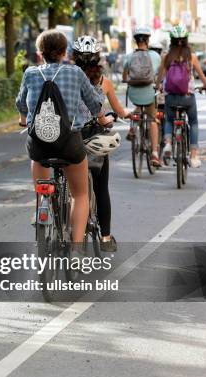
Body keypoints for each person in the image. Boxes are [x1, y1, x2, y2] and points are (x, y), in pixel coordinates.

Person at [16, 29, 101, 246]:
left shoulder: (30, 73)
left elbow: (21, 103)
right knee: (80, 195)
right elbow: (94, 104)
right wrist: (100, 116)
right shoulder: (76, 73)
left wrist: (24, 117)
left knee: (37, 160)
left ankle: (43, 204)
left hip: (39, 145)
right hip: (69, 143)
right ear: (65, 52)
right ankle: (77, 250)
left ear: (39, 52)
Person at [73, 36, 130, 252]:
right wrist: (124, 114)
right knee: (101, 188)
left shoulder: (66, 76)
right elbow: (118, 110)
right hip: (93, 138)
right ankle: (105, 238)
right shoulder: (103, 82)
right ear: (98, 58)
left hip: (69, 137)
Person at [156, 25, 206, 168]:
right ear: (186, 41)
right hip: (187, 97)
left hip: (171, 97)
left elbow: (160, 77)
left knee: (168, 119)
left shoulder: (166, 57)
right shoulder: (191, 57)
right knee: (193, 122)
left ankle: (168, 143)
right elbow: (201, 75)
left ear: (171, 41)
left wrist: (158, 87)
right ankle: (193, 155)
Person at [123, 26, 162, 166]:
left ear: (135, 40)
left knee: (138, 107)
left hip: (134, 93)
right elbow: (159, 74)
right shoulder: (155, 56)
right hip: (149, 93)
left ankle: (133, 126)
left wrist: (129, 81)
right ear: (148, 40)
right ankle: (155, 154)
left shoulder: (129, 56)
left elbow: (124, 76)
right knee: (152, 119)